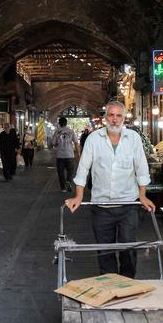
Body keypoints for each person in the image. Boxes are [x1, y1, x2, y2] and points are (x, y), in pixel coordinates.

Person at [65, 101, 154, 278]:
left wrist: (142, 195)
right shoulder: (93, 139)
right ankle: (110, 286)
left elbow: (141, 168)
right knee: (104, 250)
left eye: (118, 115)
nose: (114, 120)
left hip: (128, 205)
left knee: (128, 248)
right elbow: (83, 168)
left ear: (124, 118)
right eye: (111, 115)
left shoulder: (133, 139)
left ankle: (127, 284)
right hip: (101, 207)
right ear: (106, 118)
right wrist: (78, 196)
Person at [50, 117, 78, 192]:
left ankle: (63, 188)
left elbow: (53, 143)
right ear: (66, 123)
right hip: (70, 155)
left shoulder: (57, 131)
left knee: (60, 172)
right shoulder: (71, 131)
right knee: (70, 171)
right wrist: (78, 153)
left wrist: (57, 144)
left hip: (60, 156)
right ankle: (68, 181)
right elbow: (76, 142)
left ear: (59, 123)